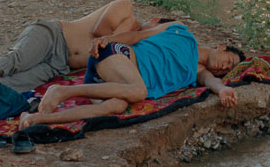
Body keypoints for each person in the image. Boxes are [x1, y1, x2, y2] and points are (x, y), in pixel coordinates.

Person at [20, 23, 255, 125]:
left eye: (228, 70)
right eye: (229, 61)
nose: (224, 67)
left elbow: (213, 82)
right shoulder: (180, 31)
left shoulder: (199, 72)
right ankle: (61, 91)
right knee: (138, 90)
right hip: (118, 55)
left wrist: (224, 88)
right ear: (222, 47)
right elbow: (137, 37)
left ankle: (37, 119)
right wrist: (107, 40)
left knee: (115, 107)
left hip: (112, 82)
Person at [0, 0, 141, 106]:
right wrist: (127, 34)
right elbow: (101, 33)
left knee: (21, 84)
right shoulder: (124, 6)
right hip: (55, 35)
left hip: (61, 65)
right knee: (17, 60)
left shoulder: (134, 41)